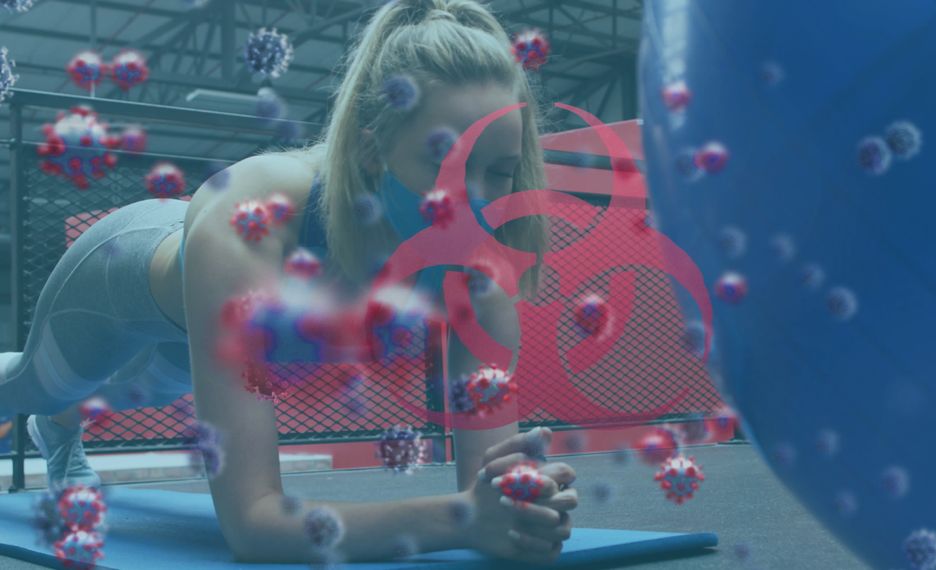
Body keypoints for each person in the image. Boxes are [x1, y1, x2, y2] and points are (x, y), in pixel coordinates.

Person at [0, 0, 577, 564]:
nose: (471, 200)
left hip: (208, 321)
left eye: (498, 172)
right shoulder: (256, 215)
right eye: (442, 163)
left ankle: (61, 426)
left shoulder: (481, 273)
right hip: (119, 275)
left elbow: (492, 491)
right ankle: (54, 414)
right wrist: (461, 520)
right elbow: (254, 526)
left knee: (147, 388)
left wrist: (522, 508)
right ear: (373, 152)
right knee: (39, 385)